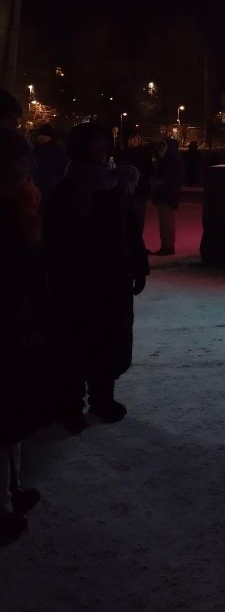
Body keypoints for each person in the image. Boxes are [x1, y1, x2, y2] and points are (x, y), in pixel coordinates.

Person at [44, 122, 148, 431]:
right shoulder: (67, 190)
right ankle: (71, 405)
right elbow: (55, 240)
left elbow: (130, 230)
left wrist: (139, 265)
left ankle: (102, 398)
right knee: (75, 342)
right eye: (97, 146)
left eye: (106, 146)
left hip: (113, 278)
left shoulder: (118, 184)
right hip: (76, 281)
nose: (104, 152)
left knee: (110, 340)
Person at [0, 127, 48, 542]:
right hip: (7, 316)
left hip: (18, 313)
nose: (29, 166)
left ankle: (11, 489)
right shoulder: (8, 205)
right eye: (22, 159)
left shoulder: (21, 200)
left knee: (11, 413)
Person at [149, 136, 184, 256]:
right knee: (166, 220)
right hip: (166, 194)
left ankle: (167, 246)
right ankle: (167, 245)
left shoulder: (169, 158)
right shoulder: (169, 157)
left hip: (166, 194)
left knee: (166, 220)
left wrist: (160, 181)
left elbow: (173, 175)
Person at [117, 133, 155, 236]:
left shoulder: (141, 154)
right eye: (133, 139)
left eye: (137, 139)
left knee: (138, 215)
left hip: (139, 188)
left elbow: (150, 169)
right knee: (129, 215)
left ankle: (137, 238)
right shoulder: (125, 153)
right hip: (129, 188)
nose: (135, 141)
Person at [30, 123, 68, 212]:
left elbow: (62, 167)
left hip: (49, 184)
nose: (40, 137)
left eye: (43, 135)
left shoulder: (56, 150)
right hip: (39, 183)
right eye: (40, 135)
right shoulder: (35, 148)